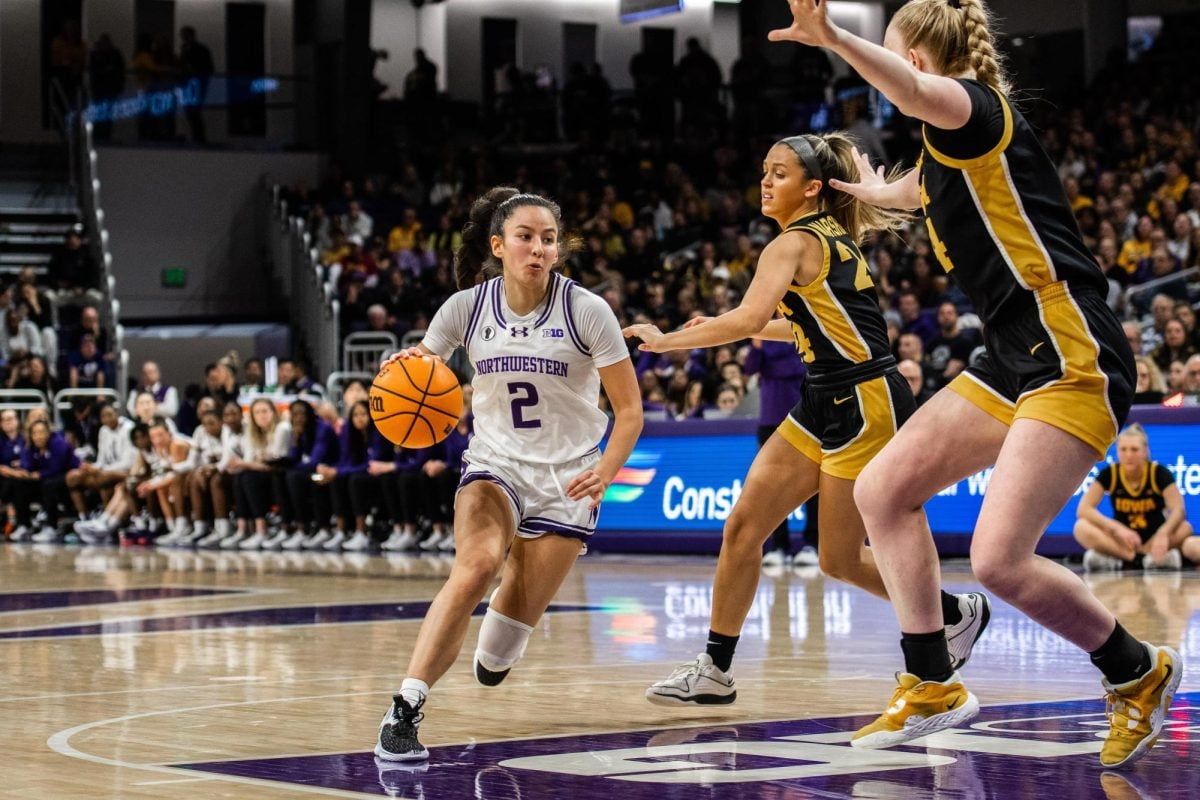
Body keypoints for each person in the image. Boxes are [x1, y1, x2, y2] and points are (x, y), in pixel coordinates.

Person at [772, 0, 1180, 764]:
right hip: (1011, 352)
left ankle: (1136, 671)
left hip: (1070, 344)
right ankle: (932, 680)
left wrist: (834, 39)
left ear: (916, 60)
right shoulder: (944, 151)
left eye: (896, 59)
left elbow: (921, 96)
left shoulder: (975, 110)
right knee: (883, 489)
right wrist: (862, 189)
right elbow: (910, 192)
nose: (893, 81)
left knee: (998, 560)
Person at [625, 133, 989, 707]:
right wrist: (716, 323)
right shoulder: (826, 236)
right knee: (744, 526)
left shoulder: (793, 242)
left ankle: (953, 613)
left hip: (865, 400)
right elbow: (800, 326)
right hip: (825, 394)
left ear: (813, 188)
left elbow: (751, 317)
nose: (766, 182)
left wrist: (671, 340)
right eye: (764, 171)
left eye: (780, 173)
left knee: (838, 559)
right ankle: (714, 669)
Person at [374, 187, 642, 762]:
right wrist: (400, 369)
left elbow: (631, 411)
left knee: (497, 656)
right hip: (495, 464)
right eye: (525, 237)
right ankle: (404, 708)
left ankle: (500, 631)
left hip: (569, 478)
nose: (538, 248)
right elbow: (420, 373)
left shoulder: (587, 310)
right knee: (474, 567)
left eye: (548, 239)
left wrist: (606, 470)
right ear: (498, 246)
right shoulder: (466, 308)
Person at [1075, 424, 1199, 571]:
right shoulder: (1110, 474)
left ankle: (1128, 559)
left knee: (1185, 528)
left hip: (1154, 538)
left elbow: (1179, 510)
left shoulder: (1158, 473)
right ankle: (1136, 558)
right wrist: (1116, 528)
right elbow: (1084, 509)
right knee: (1080, 527)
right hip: (1123, 540)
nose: (1128, 455)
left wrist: (1163, 533)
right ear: (1117, 452)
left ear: (1145, 451)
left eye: (1134, 450)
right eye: (1123, 449)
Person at [742, 336, 814, 566]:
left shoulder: (798, 328)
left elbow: (795, 367)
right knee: (771, 487)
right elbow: (750, 367)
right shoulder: (761, 335)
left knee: (811, 484)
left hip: (803, 419)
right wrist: (758, 349)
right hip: (770, 420)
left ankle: (812, 544)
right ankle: (779, 545)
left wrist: (767, 353)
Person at [315, 400, 378, 552]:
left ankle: (361, 531)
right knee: (334, 480)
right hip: (354, 474)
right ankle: (340, 531)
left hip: (375, 475)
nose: (359, 418)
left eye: (363, 414)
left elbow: (371, 464)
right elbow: (344, 461)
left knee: (354, 481)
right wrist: (329, 470)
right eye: (355, 415)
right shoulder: (349, 433)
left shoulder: (377, 434)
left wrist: (338, 471)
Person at [11, 420, 79, 542]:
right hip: (45, 480)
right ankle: (24, 525)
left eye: (41, 432)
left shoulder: (58, 443)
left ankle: (51, 527)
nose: (38, 436)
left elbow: (56, 468)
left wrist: (39, 474)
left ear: (48, 433)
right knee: (20, 483)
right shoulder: (32, 446)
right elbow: (28, 465)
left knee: (49, 484)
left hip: (67, 478)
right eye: (35, 433)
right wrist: (25, 472)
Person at [178, 26, 214, 144]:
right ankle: (196, 136)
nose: (183, 37)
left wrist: (195, 70)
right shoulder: (184, 49)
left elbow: (208, 67)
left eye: (185, 35)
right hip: (187, 83)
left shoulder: (200, 49)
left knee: (194, 111)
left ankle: (199, 137)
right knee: (190, 111)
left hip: (196, 83)